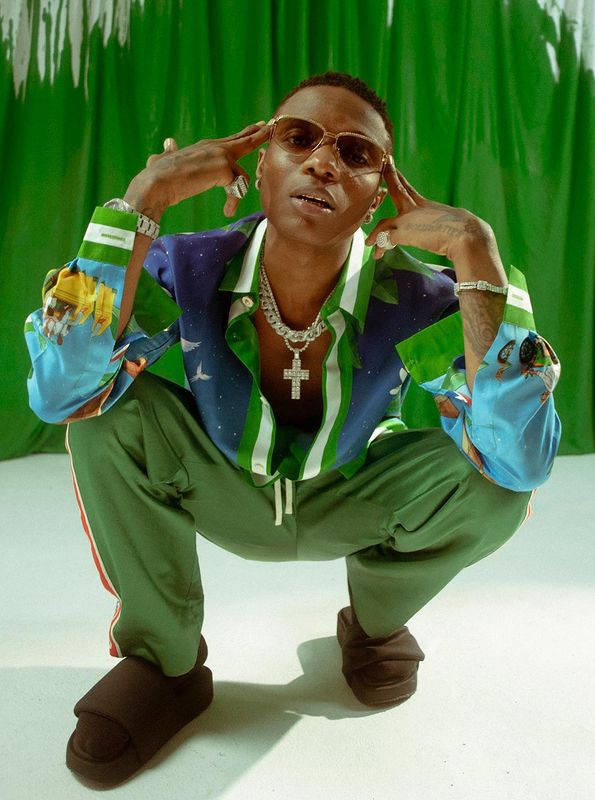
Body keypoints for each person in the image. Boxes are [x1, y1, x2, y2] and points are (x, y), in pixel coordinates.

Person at [25, 71, 561, 786]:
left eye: (355, 153)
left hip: (353, 499)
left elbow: (519, 458)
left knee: (496, 486)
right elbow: (62, 390)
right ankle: (165, 665)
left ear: (378, 197)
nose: (323, 162)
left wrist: (475, 252)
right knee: (103, 417)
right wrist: (143, 200)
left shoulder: (419, 298)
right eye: (299, 138)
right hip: (221, 490)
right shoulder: (188, 266)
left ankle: (374, 623)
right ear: (260, 166)